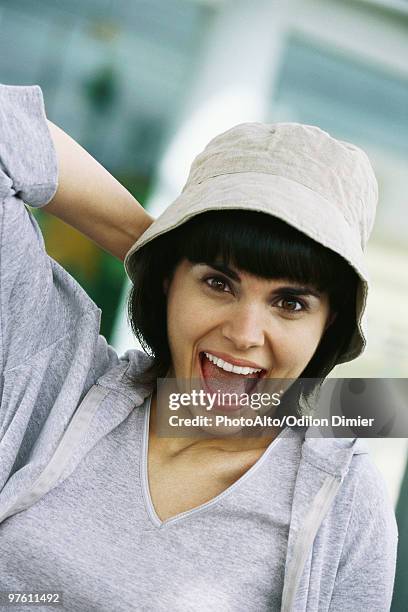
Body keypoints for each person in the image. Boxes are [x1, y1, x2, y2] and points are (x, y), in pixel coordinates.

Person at [0, 84, 398, 612]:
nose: (244, 332)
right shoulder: (58, 379)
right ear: (170, 282)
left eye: (291, 304)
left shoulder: (342, 499)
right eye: (219, 284)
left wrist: (196, 264)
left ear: (330, 327)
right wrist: (152, 249)